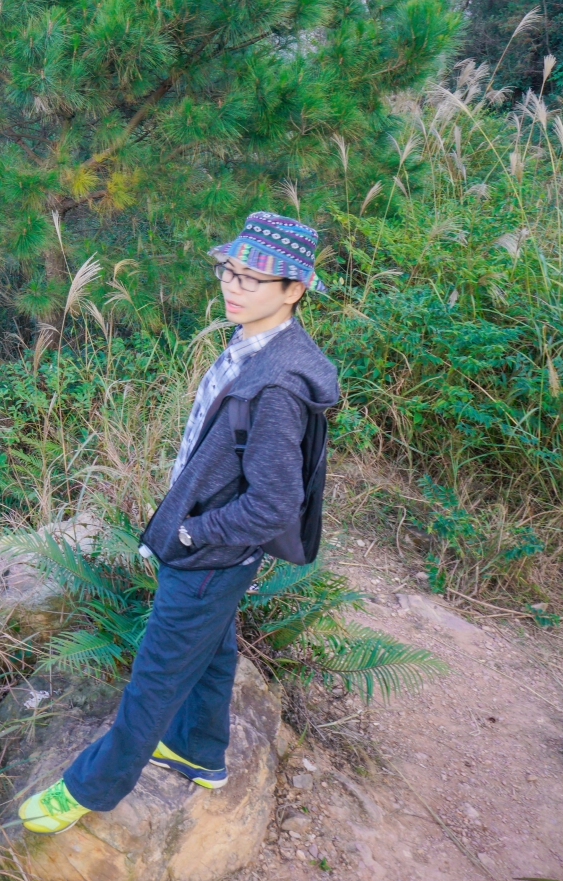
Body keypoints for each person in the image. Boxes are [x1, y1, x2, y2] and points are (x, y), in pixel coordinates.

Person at [19, 211, 340, 834]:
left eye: (254, 278)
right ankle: (199, 751)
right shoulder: (260, 343)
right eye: (229, 270)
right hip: (219, 558)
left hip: (208, 557)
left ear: (293, 291)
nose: (233, 285)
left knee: (154, 679)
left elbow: (274, 505)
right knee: (215, 650)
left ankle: (92, 786)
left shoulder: (276, 386)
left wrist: (193, 533)